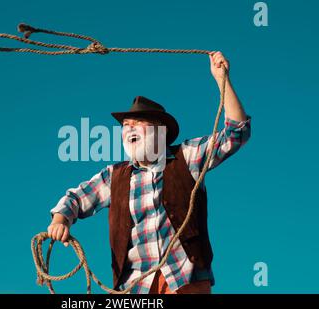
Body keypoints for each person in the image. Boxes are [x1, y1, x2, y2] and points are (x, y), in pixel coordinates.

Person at [47, 51, 252, 294]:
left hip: (184, 279)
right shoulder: (115, 176)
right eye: (125, 126)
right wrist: (60, 220)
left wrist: (222, 80)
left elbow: (236, 134)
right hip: (134, 286)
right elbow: (76, 198)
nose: (129, 129)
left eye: (137, 123)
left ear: (160, 132)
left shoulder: (186, 158)